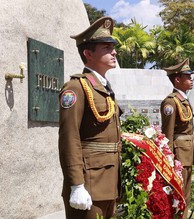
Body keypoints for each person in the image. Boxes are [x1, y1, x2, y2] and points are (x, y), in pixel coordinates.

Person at [58, 17, 122, 219]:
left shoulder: (103, 87)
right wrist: (76, 184)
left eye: (113, 47)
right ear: (88, 53)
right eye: (106, 47)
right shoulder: (76, 87)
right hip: (89, 182)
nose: (114, 52)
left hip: (109, 181)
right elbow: (69, 137)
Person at [160, 58, 194, 218]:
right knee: (178, 196)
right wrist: (169, 158)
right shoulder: (171, 102)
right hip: (178, 156)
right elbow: (167, 133)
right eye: (187, 76)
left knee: (185, 196)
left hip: (186, 154)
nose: (191, 79)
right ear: (177, 79)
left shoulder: (183, 100)